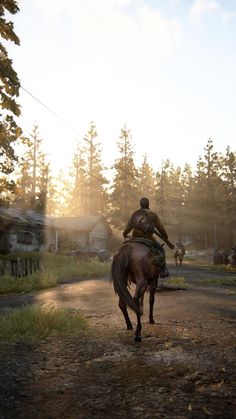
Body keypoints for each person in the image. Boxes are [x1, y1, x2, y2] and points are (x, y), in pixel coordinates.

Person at [122, 197, 170, 278]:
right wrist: (165, 236)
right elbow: (160, 228)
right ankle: (162, 271)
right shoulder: (153, 215)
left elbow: (128, 227)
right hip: (148, 239)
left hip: (135, 239)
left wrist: (125, 234)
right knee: (161, 250)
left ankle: (123, 271)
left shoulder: (136, 214)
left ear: (140, 204)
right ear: (148, 205)